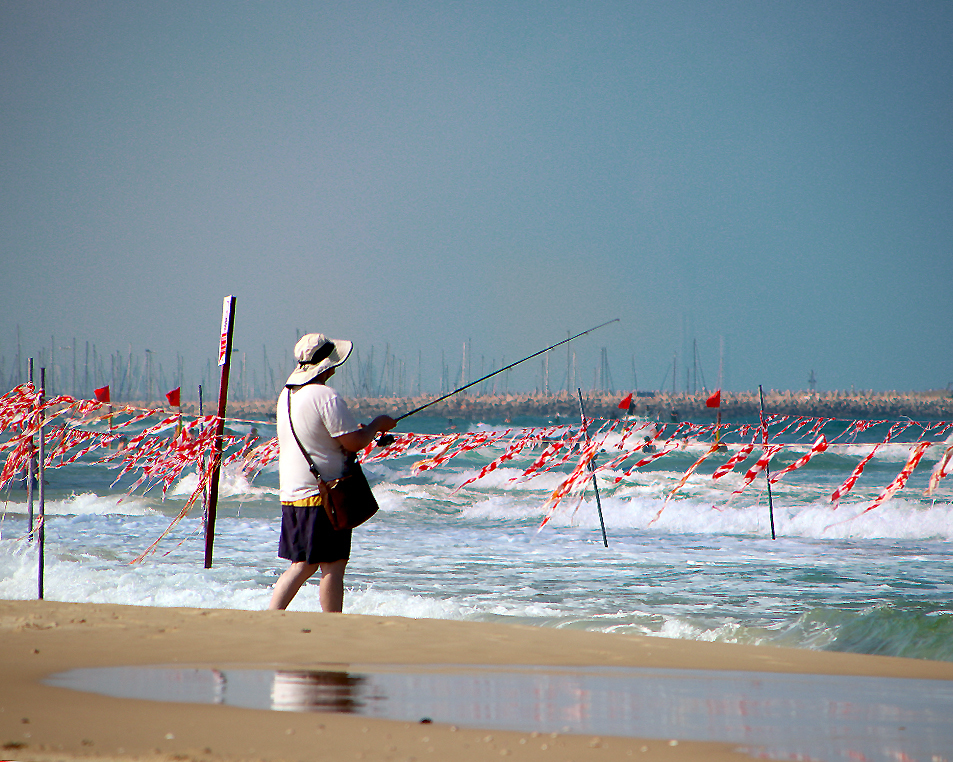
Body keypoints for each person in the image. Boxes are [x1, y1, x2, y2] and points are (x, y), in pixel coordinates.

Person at [268, 333, 396, 613]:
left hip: (293, 491)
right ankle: (331, 623)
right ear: (326, 365)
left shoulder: (288, 394)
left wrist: (361, 431)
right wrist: (377, 425)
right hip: (323, 493)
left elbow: (320, 437)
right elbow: (353, 442)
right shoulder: (325, 395)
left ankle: (272, 616)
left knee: (302, 563)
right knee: (332, 564)